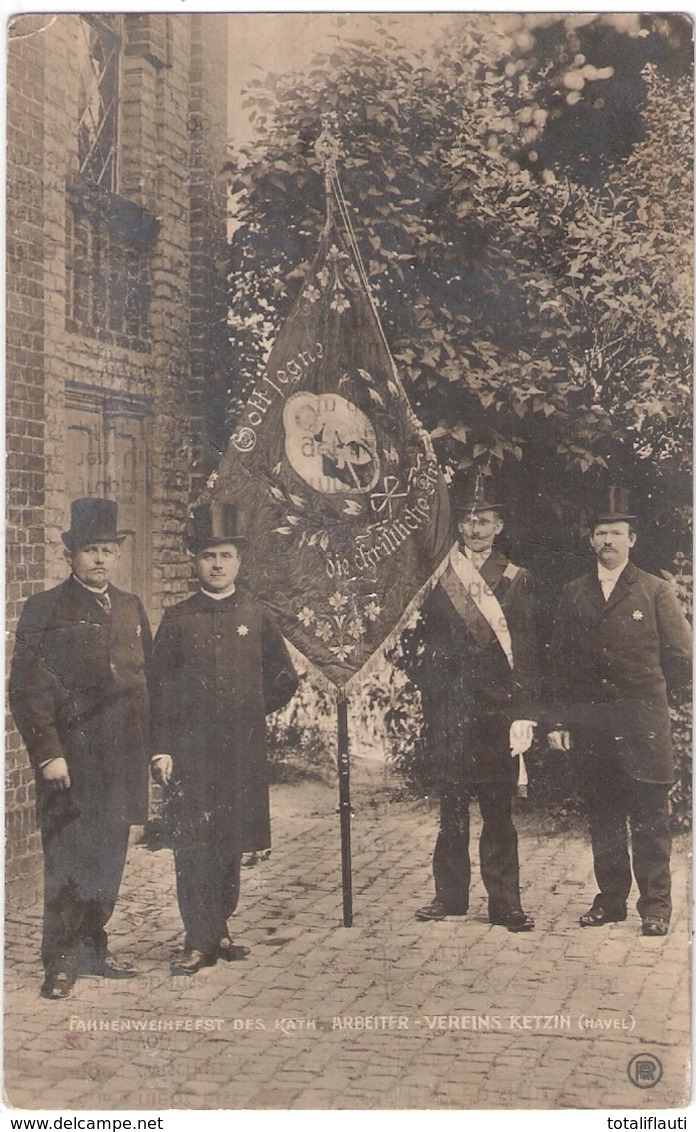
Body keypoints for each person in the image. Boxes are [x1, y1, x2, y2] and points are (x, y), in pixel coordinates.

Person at [9, 498, 152, 999]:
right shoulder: (45, 609)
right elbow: (27, 689)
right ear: (70, 553)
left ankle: (94, 948)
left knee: (109, 858)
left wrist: (153, 751)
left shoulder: (132, 607)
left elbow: (144, 683)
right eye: (89, 549)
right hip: (70, 761)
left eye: (107, 550)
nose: (99, 560)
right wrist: (48, 754)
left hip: (121, 760)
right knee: (68, 859)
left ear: (117, 555)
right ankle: (61, 962)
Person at [149, 501, 299, 975]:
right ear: (194, 560)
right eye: (208, 555)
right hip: (191, 755)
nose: (217, 564)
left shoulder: (255, 614)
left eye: (226, 556)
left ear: (239, 560)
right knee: (193, 842)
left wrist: (251, 713)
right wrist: (163, 746)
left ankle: (220, 923)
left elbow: (283, 678)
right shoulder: (177, 618)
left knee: (231, 842)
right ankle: (198, 937)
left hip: (240, 751)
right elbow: (157, 688)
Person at [546, 491, 691, 937]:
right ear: (590, 541)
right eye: (600, 533)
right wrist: (559, 720)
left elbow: (682, 657)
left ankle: (656, 907)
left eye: (615, 533)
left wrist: (648, 700)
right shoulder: (574, 593)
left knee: (649, 818)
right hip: (593, 726)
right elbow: (561, 665)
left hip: (643, 724)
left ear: (632, 539)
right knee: (604, 816)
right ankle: (610, 901)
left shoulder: (655, 590)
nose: (607, 541)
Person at [412, 477, 540, 931]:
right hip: (451, 707)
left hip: (496, 711)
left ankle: (505, 903)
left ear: (499, 525)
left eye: (484, 520)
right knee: (451, 806)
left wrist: (524, 711)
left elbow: (526, 649)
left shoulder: (516, 578)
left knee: (497, 809)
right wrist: (432, 687)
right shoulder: (439, 576)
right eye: (468, 520)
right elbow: (418, 642)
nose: (475, 528)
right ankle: (449, 897)